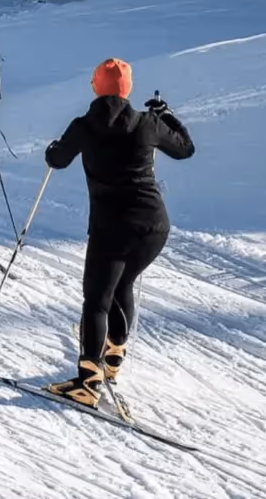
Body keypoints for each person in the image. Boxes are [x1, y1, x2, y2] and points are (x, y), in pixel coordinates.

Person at [42, 59, 195, 407]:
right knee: (121, 285)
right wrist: (167, 114)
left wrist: (53, 149)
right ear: (127, 89)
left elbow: (57, 160)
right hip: (154, 226)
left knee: (96, 299)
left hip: (111, 228)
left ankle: (87, 381)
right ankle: (112, 358)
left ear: (96, 86)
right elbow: (185, 149)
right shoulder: (147, 122)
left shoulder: (84, 125)